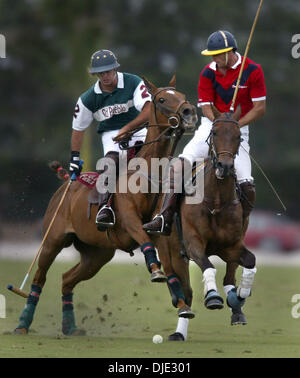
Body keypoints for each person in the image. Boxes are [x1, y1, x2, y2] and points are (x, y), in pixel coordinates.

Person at [143, 30, 266, 235]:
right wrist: (219, 122)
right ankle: (164, 216)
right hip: (211, 125)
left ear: (230, 52)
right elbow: (206, 106)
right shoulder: (208, 72)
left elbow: (260, 107)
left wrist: (235, 125)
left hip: (239, 129)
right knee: (180, 164)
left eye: (217, 54)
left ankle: (239, 230)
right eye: (212, 55)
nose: (214, 58)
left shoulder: (252, 70)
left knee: (246, 182)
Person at [70, 49, 151, 230]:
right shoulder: (88, 98)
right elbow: (78, 128)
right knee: (110, 163)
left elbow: (148, 110)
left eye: (108, 71)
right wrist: (74, 157)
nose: (105, 76)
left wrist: (128, 128)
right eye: (100, 73)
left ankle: (167, 208)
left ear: (115, 69)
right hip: (111, 134)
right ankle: (105, 207)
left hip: (138, 129)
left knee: (154, 159)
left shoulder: (133, 82)